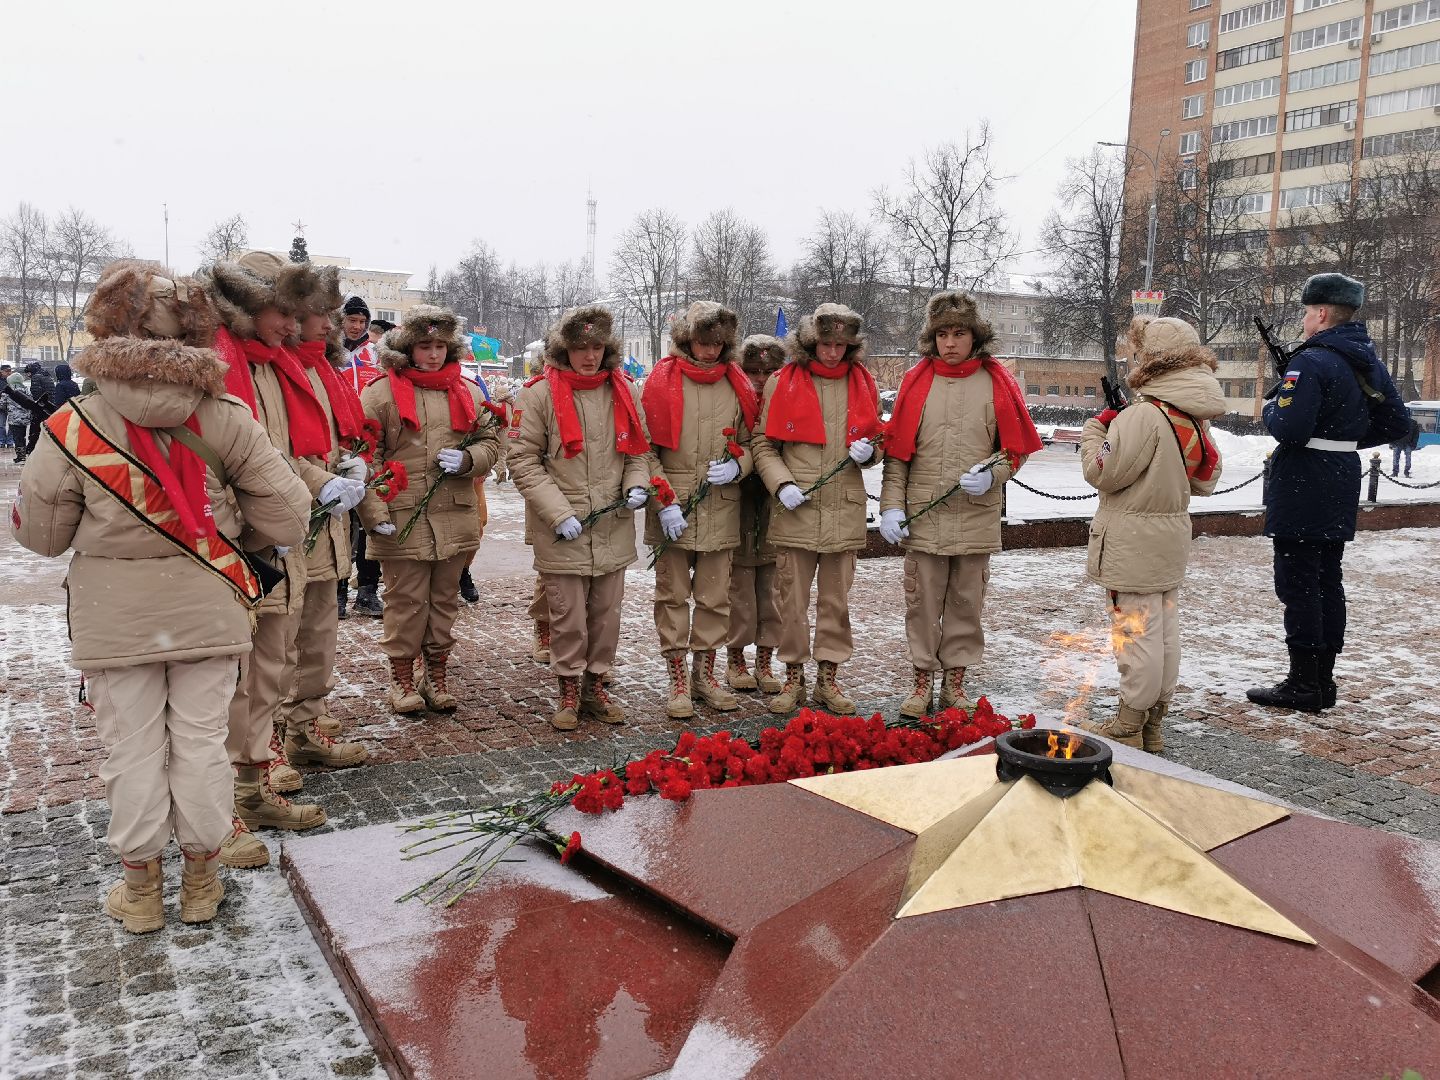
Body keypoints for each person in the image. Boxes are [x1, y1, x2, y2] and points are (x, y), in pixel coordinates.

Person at [10, 260, 311, 932]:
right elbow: (290, 519)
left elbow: (45, 537)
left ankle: (142, 893)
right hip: (208, 604)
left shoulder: (72, 424)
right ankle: (202, 882)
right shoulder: (226, 415)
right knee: (202, 744)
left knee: (133, 750)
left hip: (114, 615)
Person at [205, 251, 364, 866]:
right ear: (247, 308)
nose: (298, 324)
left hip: (282, 533)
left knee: (274, 659)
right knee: (245, 673)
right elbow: (247, 457)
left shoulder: (269, 365)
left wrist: (332, 474)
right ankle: (234, 791)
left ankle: (255, 776)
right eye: (286, 310)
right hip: (250, 541)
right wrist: (312, 484)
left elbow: (276, 452)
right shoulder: (227, 366)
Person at [1247, 272, 1406, 713]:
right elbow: (1395, 423)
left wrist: (1271, 406)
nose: (1303, 319)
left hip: (1303, 481)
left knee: (1298, 584)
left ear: (1320, 313)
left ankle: (1303, 684)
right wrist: (1344, 440)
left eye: (1306, 311)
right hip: (1338, 477)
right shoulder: (1365, 360)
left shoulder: (1312, 361)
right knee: (1326, 581)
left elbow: (1290, 428)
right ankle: (1322, 680)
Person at [880, 293, 1043, 719]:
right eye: (943, 334)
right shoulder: (916, 383)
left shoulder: (997, 383)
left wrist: (993, 473)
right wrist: (891, 507)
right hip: (924, 517)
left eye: (959, 333)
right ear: (932, 338)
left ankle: (955, 685)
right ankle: (921, 683)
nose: (951, 342)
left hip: (975, 516)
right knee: (922, 604)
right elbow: (898, 456)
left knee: (966, 605)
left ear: (975, 336)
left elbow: (1012, 450)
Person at [1077, 316, 1225, 751]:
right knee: (1162, 632)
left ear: (1152, 360)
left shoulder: (1145, 414)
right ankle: (1153, 722)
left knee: (1135, 634)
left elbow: (1101, 471)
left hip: (1131, 543)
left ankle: (1129, 722)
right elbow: (1206, 479)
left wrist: (1096, 431)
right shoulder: (1193, 418)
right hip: (1169, 539)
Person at [508, 305, 650, 730]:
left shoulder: (623, 390)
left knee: (606, 613)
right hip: (563, 527)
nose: (588, 356)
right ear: (563, 349)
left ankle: (596, 684)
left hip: (611, 522)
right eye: (579, 347)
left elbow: (639, 450)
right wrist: (557, 513)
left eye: (596, 346)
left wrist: (636, 485)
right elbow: (523, 460)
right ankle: (568, 688)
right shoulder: (537, 395)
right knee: (567, 614)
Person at [358, 305, 500, 713]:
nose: (434, 354)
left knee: (444, 599)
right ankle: (402, 677)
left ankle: (435, 672)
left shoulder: (469, 391)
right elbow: (365, 456)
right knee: (405, 601)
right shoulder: (380, 392)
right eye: (425, 346)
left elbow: (492, 442)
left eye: (440, 345)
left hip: (454, 511)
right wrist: (374, 514)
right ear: (408, 348)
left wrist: (470, 459)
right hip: (402, 516)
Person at [752, 303, 882, 716]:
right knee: (790, 600)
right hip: (797, 511)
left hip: (843, 510)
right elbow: (763, 444)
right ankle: (793, 676)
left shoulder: (864, 383)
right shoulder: (781, 381)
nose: (832, 353)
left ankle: (828, 677)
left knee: (835, 602)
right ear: (811, 342)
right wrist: (781, 483)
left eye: (841, 345)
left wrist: (870, 452)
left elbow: (878, 440)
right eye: (825, 343)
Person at [641, 301, 759, 718]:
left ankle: (704, 674)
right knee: (672, 596)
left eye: (716, 344)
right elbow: (645, 451)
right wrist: (665, 501)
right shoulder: (660, 381)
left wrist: (738, 465)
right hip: (672, 506)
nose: (709, 351)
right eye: (702, 342)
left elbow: (752, 439)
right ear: (687, 340)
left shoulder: (737, 383)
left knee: (714, 597)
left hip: (720, 507)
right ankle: (677, 679)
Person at [274, 263, 369, 773]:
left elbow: (327, 439)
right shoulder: (270, 368)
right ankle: (265, 746)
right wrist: (320, 480)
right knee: (276, 648)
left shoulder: (319, 367)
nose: (330, 323)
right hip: (289, 524)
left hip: (327, 527)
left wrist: (348, 460)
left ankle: (303, 728)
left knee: (317, 641)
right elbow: (266, 450)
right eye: (320, 313)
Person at [725, 334, 787, 694]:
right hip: (738, 504)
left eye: (769, 370)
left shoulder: (787, 398)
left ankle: (765, 658)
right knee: (738, 593)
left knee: (772, 591)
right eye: (753, 371)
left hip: (776, 504)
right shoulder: (734, 399)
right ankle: (736, 657)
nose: (761, 379)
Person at [23, 361, 56, 456]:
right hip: (50, 405)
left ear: (31, 371)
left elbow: (36, 394)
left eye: (28, 373)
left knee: (35, 429)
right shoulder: (46, 375)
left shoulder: (36, 377)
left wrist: (34, 405)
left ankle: (31, 450)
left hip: (41, 407)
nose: (28, 375)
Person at [4, 368, 34, 461]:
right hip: (24, 417)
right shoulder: (26, 389)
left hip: (14, 418)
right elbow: (31, 401)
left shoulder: (9, 391)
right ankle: (23, 454)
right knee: (23, 436)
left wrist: (7, 408)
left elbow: (2, 403)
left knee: (17, 437)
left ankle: (20, 456)